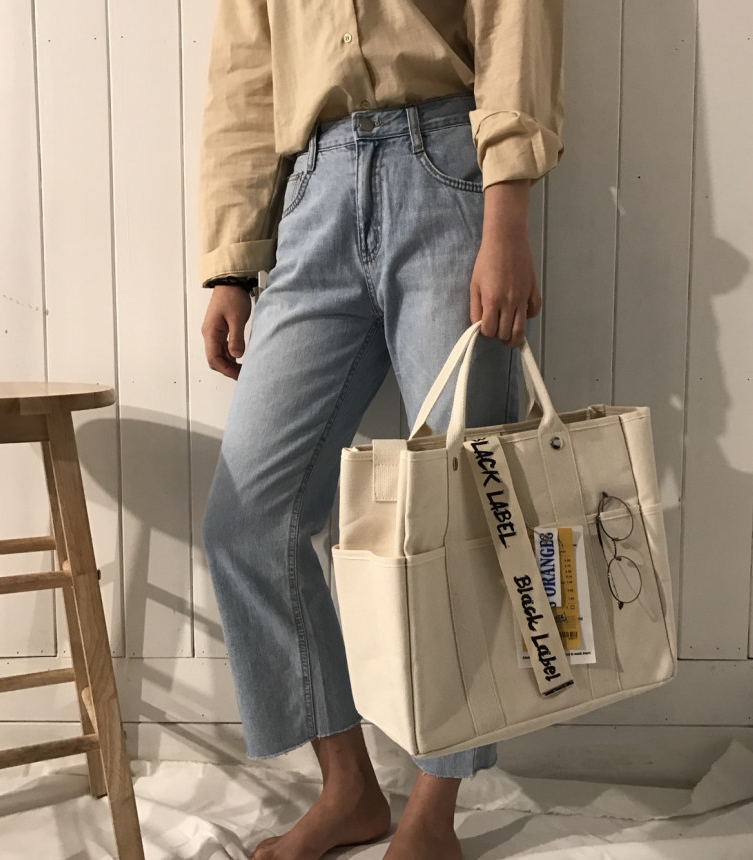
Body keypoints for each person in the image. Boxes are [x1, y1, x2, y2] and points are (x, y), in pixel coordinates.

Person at [197, 2, 564, 858]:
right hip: (311, 191)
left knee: (464, 509)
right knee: (247, 522)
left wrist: (507, 218)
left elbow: (513, 23)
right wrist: (230, 264)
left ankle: (434, 812)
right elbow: (245, 77)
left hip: (448, 171)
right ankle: (349, 790)